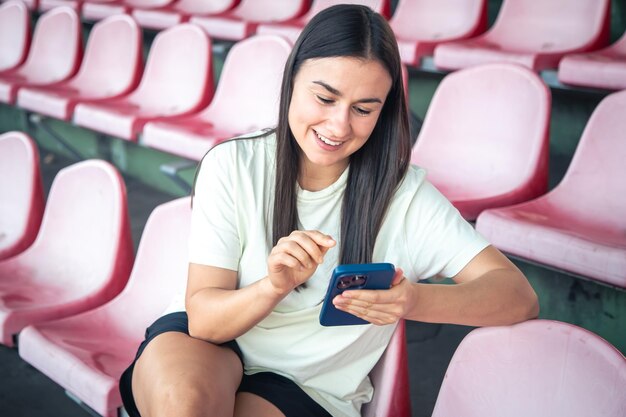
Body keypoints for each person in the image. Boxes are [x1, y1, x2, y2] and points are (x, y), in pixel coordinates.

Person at [119, 4, 539, 417]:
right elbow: (206, 324)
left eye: (363, 109)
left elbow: (517, 297)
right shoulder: (233, 165)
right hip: (212, 341)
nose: (339, 126)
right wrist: (273, 286)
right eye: (325, 97)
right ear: (292, 80)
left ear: (384, 111)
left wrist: (412, 300)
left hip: (309, 383)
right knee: (183, 405)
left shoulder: (405, 197)